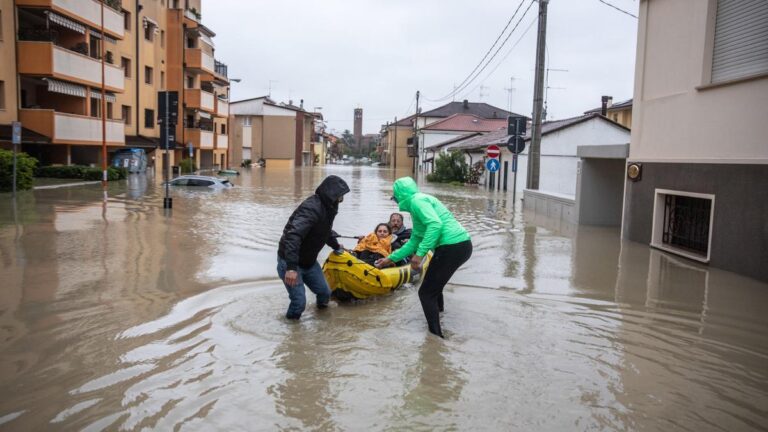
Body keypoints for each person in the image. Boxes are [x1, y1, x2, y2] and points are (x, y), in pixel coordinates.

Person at [375, 177, 472, 338]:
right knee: (434, 287)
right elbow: (414, 240)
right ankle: (439, 316)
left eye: (395, 197)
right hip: (460, 245)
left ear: (400, 195)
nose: (395, 201)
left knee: (425, 293)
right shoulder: (418, 204)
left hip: (452, 246)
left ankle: (435, 339)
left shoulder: (417, 201)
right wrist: (390, 259)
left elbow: (435, 225)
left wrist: (419, 255)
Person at [277, 175, 350, 320]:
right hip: (291, 262)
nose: (341, 200)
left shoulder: (328, 208)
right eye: (340, 196)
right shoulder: (311, 208)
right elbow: (293, 235)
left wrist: (336, 246)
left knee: (325, 294)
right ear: (331, 194)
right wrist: (291, 268)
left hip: (309, 262)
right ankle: (291, 331)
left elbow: (325, 232)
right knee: (299, 303)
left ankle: (321, 319)